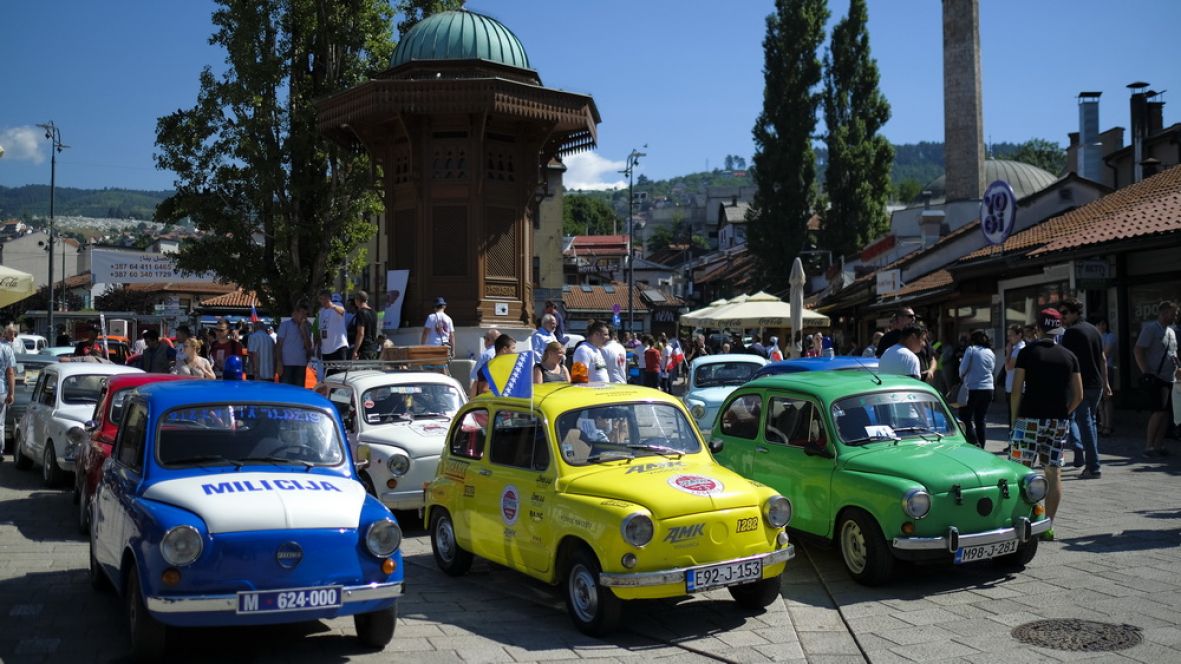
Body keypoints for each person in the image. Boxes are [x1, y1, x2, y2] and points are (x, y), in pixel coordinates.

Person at [1009, 308, 1083, 541]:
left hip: (1029, 418)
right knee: (1053, 472)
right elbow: (1078, 395)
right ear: (1059, 330)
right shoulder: (1070, 356)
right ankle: (1047, 525)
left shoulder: (1028, 353)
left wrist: (1014, 420)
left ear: (1038, 328)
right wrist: (1064, 413)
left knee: (1020, 471)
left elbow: (1016, 390)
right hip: (1058, 420)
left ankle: (1024, 519)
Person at [1059, 299, 1108, 478]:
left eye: (1064, 313)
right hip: (1096, 384)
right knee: (1091, 423)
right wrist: (1106, 382)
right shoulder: (1094, 330)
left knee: (1085, 424)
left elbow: (1067, 361)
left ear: (1075, 313)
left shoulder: (1071, 333)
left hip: (1081, 384)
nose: (1061, 317)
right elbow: (1103, 358)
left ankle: (1093, 467)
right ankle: (1092, 463)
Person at [1134, 300, 1179, 458]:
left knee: (1166, 413)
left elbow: (1173, 353)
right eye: (1174, 313)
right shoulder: (1151, 329)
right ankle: (1149, 446)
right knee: (1158, 412)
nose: (1176, 316)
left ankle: (1159, 445)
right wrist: (1146, 371)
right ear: (1164, 313)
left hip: (1170, 378)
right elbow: (1138, 350)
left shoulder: (1171, 331)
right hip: (1156, 376)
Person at [958, 330, 996, 448]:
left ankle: (975, 442)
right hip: (988, 388)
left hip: (973, 388)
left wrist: (961, 376)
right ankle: (982, 446)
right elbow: (992, 369)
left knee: (964, 418)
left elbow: (962, 369)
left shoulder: (971, 349)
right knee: (980, 419)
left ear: (973, 339)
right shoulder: (990, 352)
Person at [276, 301, 313, 387]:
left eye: (306, 314)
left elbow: (308, 347)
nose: (304, 316)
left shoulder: (308, 326)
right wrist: (279, 362)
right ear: (295, 313)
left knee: (299, 392)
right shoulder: (285, 325)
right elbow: (278, 345)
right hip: (286, 364)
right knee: (285, 391)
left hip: (301, 364)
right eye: (302, 313)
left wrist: (303, 330)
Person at [1093, 316, 1117, 436]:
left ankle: (1109, 425)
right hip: (1096, 368)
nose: (1102, 326)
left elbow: (1105, 353)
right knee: (1099, 400)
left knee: (1107, 398)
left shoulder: (1110, 336)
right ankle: (1102, 423)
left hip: (1107, 368)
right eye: (1099, 324)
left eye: (1104, 324)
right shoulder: (1094, 336)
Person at [1003, 325, 1026, 437]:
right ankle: (1013, 440)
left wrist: (1008, 352)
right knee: (1013, 417)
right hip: (1013, 387)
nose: (1009, 338)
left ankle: (1015, 440)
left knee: (1015, 417)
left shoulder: (1018, 349)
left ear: (1019, 335)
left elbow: (1008, 367)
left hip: (1016, 388)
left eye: (1011, 335)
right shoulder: (1017, 348)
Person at [317, 290, 349, 362]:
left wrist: (333, 306)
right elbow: (320, 330)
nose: (322, 301)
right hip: (325, 350)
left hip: (338, 346)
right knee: (328, 373)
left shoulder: (337, 305)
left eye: (324, 298)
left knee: (340, 372)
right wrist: (319, 347)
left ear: (329, 298)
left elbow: (342, 311)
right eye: (321, 299)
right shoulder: (321, 311)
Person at [469, 328, 500, 397]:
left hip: (485, 395)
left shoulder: (485, 355)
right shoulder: (505, 354)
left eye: (484, 338)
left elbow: (476, 380)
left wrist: (471, 401)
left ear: (488, 340)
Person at [350, 290, 378, 360]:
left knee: (363, 370)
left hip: (364, 349)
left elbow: (360, 333)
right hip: (373, 348)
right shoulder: (374, 312)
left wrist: (355, 351)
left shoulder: (361, 312)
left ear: (357, 300)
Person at [0, 336, 14, 454]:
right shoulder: (6, 349)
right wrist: (11, 393)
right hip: (1, 389)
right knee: (0, 422)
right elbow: (10, 373)